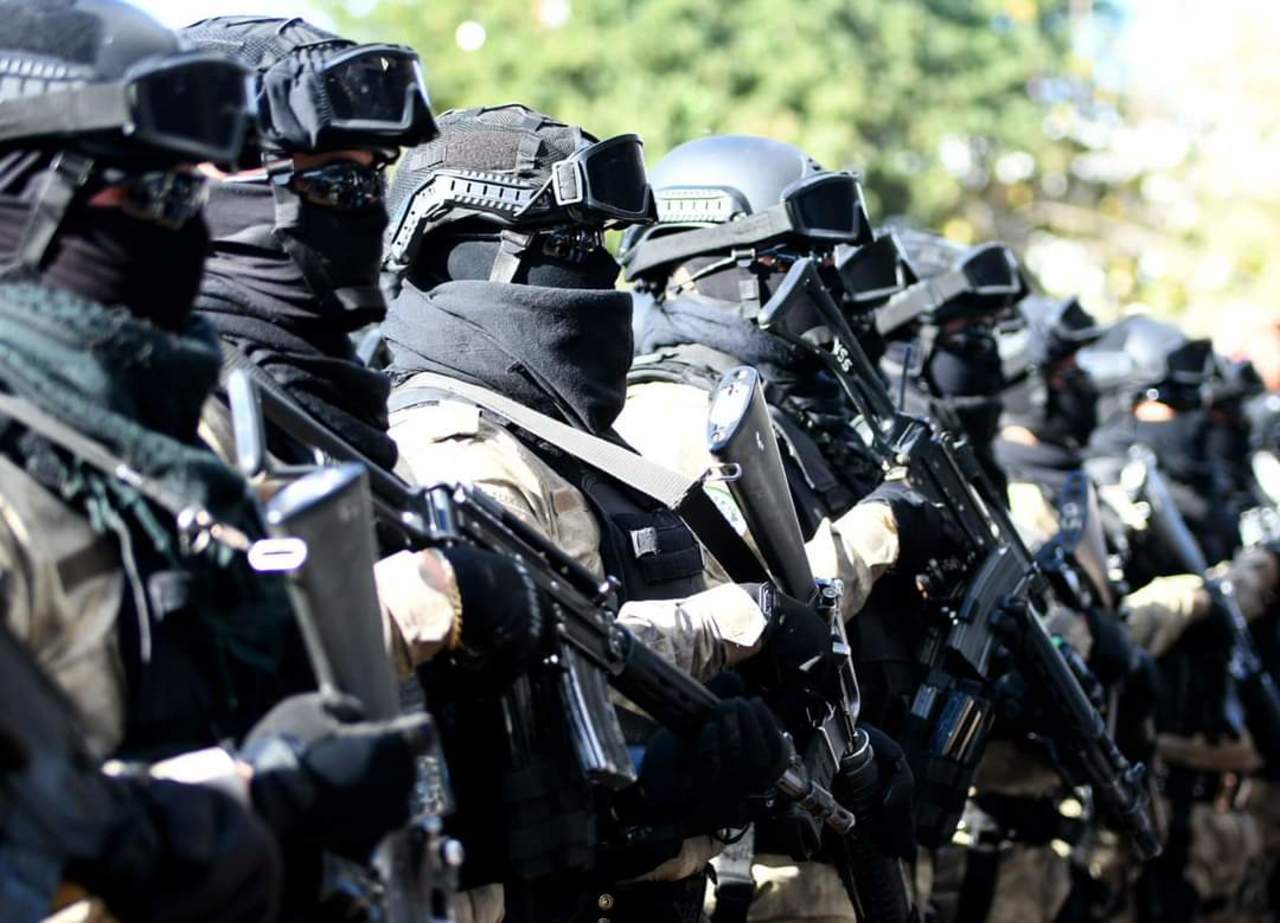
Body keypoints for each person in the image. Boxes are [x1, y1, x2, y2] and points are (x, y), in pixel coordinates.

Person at [0, 1, 425, 915]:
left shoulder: (153, 451)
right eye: (154, 198)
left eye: (189, 195)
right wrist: (243, 797)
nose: (183, 231)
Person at [381, 104, 802, 923]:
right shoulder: (453, 442)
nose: (597, 273)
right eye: (567, 246)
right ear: (473, 251)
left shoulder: (578, 439)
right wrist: (744, 622)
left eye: (599, 243)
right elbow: (543, 671)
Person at [617, 134, 934, 922]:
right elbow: (755, 612)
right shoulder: (672, 414)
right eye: (796, 257)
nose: (822, 282)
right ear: (719, 265)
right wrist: (884, 527)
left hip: (832, 848)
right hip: (755, 868)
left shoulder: (780, 411)